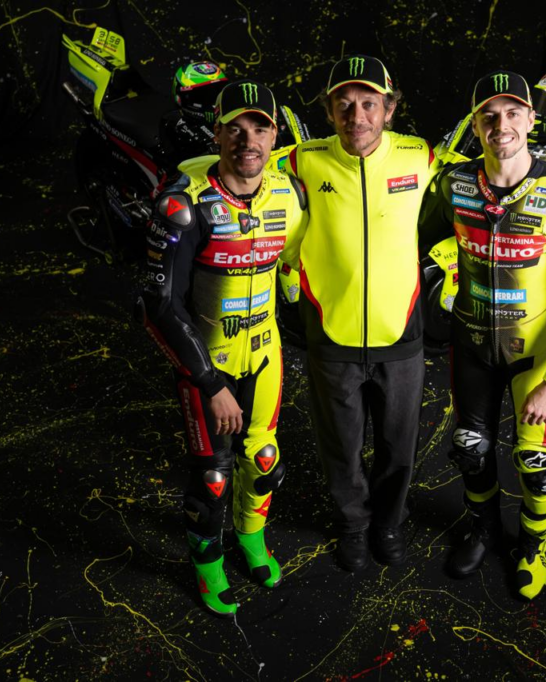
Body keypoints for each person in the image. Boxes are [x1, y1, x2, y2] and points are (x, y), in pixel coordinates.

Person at [418, 71, 546, 600]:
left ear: (532, 120)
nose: (501, 125)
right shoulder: (453, 184)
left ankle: (535, 544)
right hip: (472, 347)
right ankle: (482, 530)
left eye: (513, 113)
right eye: (489, 115)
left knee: (535, 460)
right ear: (475, 125)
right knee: (470, 449)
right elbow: (416, 239)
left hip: (539, 357)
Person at [138, 79, 308, 617]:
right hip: (207, 365)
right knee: (213, 479)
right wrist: (209, 382)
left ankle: (251, 537)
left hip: (265, 353)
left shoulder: (290, 193)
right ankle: (207, 561)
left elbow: (293, 262)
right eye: (235, 127)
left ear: (275, 135)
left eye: (260, 127)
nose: (248, 140)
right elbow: (157, 306)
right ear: (216, 133)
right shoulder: (183, 202)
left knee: (263, 459)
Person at [285, 54, 439, 571]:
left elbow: (489, 177)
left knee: (398, 446)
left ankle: (388, 522)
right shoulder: (301, 160)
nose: (357, 117)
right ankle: (352, 525)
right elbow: (241, 162)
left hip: (401, 334)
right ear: (329, 111)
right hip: (332, 333)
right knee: (341, 446)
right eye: (344, 104)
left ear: (389, 110)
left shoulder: (421, 156)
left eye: (369, 104)